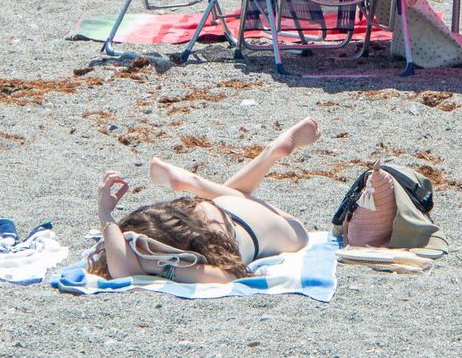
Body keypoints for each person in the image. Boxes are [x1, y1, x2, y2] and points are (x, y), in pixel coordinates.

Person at [90, 118, 321, 282]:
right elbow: (123, 265)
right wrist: (105, 213)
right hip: (211, 207)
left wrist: (162, 269)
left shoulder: (158, 258)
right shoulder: (144, 231)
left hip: (249, 228)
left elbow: (123, 272)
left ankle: (269, 153)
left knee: (298, 234)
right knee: (244, 199)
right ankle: (198, 181)